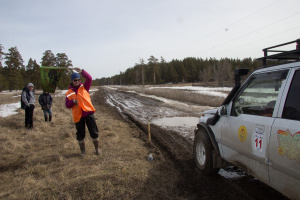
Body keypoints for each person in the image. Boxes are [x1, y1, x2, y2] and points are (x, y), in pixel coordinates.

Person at [65, 68, 100, 156]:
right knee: (80, 134)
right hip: (78, 116)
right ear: (72, 81)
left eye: (78, 80)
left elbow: (89, 78)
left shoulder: (84, 87)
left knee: (94, 132)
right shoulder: (68, 93)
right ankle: (83, 151)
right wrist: (72, 101)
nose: (76, 81)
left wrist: (81, 71)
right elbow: (67, 105)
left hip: (88, 113)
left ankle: (97, 149)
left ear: (79, 80)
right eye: (75, 80)